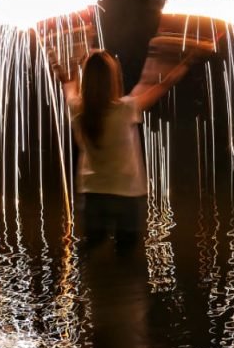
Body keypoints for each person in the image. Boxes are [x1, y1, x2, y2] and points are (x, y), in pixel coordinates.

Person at [52, 48, 193, 248]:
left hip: (93, 193)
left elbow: (68, 84)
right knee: (127, 260)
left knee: (92, 255)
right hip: (126, 194)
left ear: (87, 79)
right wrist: (187, 60)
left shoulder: (77, 108)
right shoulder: (126, 109)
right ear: (113, 79)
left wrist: (64, 62)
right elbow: (162, 84)